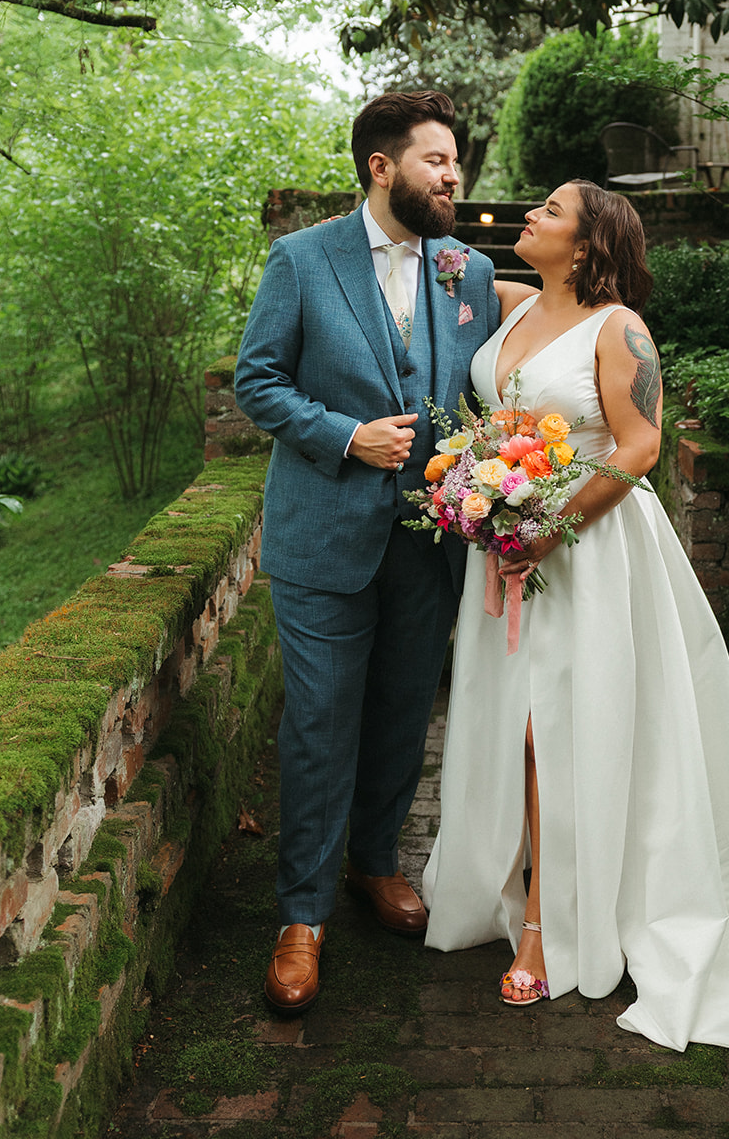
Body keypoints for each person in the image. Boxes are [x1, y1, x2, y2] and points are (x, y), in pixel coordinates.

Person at [423, 179, 729, 1051]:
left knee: (556, 730)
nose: (529, 214)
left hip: (591, 551)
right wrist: (480, 493)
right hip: (507, 550)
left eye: (552, 211)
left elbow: (639, 445)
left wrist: (550, 527)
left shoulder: (619, 328)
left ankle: (546, 925)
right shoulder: (512, 303)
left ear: (591, 241)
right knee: (518, 726)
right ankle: (535, 896)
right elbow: (436, 270)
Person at [235, 91, 500, 1014]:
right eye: (436, 161)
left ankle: (375, 865)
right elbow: (256, 381)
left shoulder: (466, 271)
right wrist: (348, 436)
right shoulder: (301, 260)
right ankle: (300, 918)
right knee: (318, 726)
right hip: (322, 541)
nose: (453, 176)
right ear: (382, 168)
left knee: (400, 715)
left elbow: (483, 394)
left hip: (429, 544)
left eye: (455, 162)